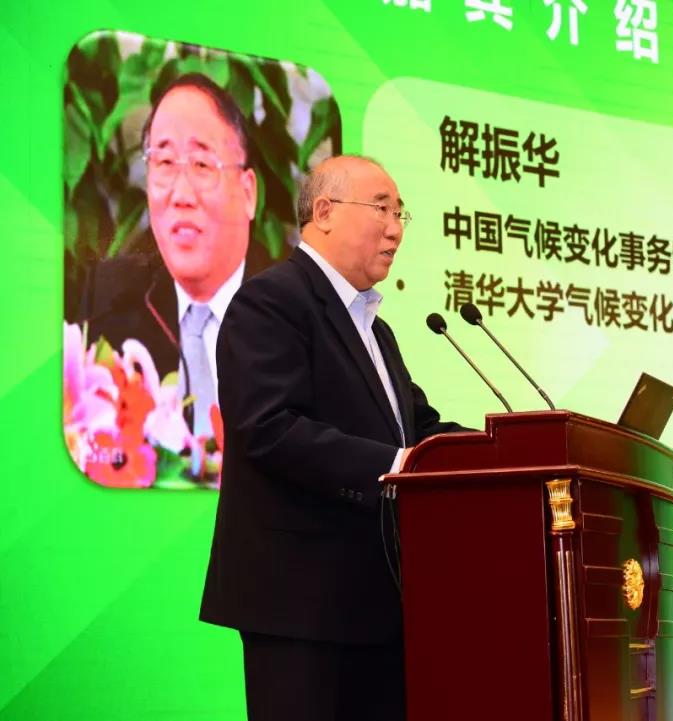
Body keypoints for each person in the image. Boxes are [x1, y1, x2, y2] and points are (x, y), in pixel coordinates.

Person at [200, 155, 464, 720]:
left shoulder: (376, 329)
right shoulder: (271, 300)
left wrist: (510, 448)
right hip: (300, 603)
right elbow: (269, 427)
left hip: (377, 601)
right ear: (323, 212)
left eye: (401, 214)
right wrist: (396, 466)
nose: (396, 229)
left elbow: (418, 428)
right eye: (382, 209)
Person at [78, 72, 271, 448]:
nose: (181, 195)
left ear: (248, 193)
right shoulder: (108, 300)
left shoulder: (297, 315)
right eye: (165, 162)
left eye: (202, 165)